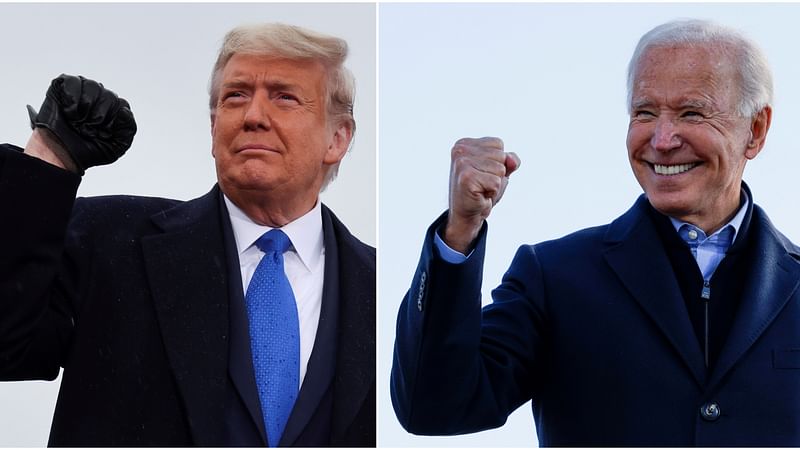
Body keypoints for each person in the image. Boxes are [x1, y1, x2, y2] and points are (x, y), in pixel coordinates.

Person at [391, 19, 800, 446]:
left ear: (755, 131)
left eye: (691, 112)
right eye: (644, 112)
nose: (661, 139)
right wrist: (460, 230)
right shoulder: (554, 277)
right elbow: (432, 406)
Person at [0, 23, 374, 447]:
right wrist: (50, 158)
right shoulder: (112, 241)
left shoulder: (379, 288)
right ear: (214, 128)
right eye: (235, 96)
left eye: (284, 97)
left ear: (338, 138)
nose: (253, 116)